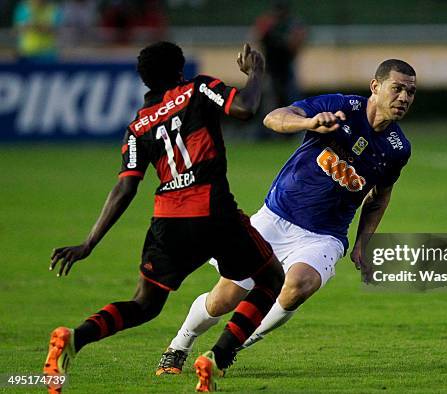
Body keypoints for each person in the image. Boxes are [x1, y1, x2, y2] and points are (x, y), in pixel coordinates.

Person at [44, 41, 285, 393]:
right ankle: (216, 359)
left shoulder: (138, 127)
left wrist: (89, 243)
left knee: (144, 304)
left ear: (145, 81)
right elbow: (246, 108)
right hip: (214, 211)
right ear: (179, 69)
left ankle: (74, 339)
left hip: (168, 221)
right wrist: (257, 71)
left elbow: (124, 190)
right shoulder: (198, 88)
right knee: (270, 279)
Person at [156, 59, 416, 375]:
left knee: (298, 285)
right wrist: (308, 124)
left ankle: (224, 351)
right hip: (276, 217)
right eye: (397, 88)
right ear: (376, 87)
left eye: (410, 92)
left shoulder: (397, 148)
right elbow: (274, 118)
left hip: (324, 235)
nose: (403, 98)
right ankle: (179, 346)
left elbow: (380, 196)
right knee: (224, 298)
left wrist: (363, 242)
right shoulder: (340, 106)